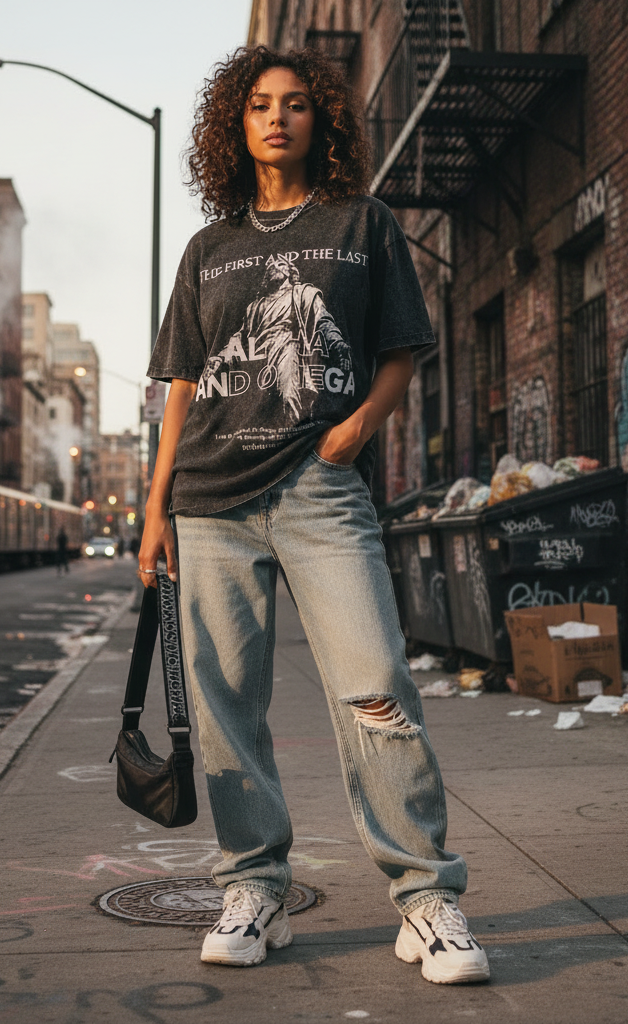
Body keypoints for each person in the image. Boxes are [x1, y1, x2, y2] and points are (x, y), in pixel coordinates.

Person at [138, 45, 489, 986]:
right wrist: (155, 506)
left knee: (377, 685)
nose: (277, 118)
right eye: (259, 105)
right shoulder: (208, 248)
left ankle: (426, 899)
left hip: (321, 491)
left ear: (318, 119)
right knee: (225, 710)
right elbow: (180, 384)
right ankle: (254, 889)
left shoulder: (362, 222)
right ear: (236, 125)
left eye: (295, 104)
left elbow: (402, 347)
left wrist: (362, 426)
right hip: (210, 502)